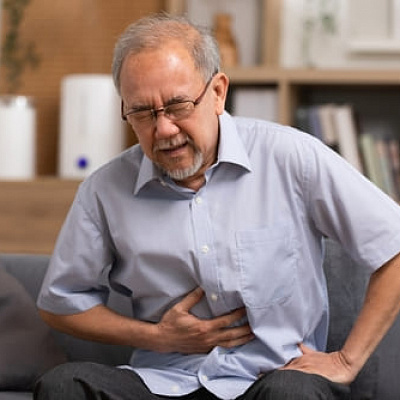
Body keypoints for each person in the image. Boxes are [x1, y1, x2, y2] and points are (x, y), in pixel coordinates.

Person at [34, 12, 400, 400]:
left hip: (272, 380)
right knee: (64, 386)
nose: (164, 129)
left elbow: (393, 245)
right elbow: (61, 303)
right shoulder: (104, 190)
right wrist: (157, 336)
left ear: (218, 92)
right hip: (163, 383)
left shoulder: (290, 157)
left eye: (178, 105)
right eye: (142, 112)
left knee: (292, 394)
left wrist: (346, 360)